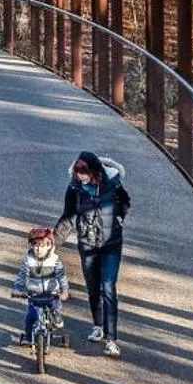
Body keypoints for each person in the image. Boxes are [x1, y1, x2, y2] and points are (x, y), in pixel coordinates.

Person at [58, 150, 129, 356]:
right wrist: (50, 244)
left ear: (95, 172)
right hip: (87, 244)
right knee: (92, 288)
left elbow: (124, 201)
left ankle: (111, 338)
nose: (82, 179)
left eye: (85, 175)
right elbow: (68, 218)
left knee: (108, 286)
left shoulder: (112, 183)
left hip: (111, 244)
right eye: (79, 175)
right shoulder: (74, 189)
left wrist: (118, 219)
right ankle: (98, 326)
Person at [11, 224, 68, 345]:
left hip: (51, 294)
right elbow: (22, 275)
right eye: (35, 245)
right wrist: (18, 289)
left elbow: (62, 276)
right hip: (34, 294)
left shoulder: (54, 260)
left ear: (49, 246)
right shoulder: (28, 260)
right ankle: (28, 336)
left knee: (55, 308)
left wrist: (64, 290)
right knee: (30, 318)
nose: (38, 248)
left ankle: (57, 317)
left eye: (42, 245)